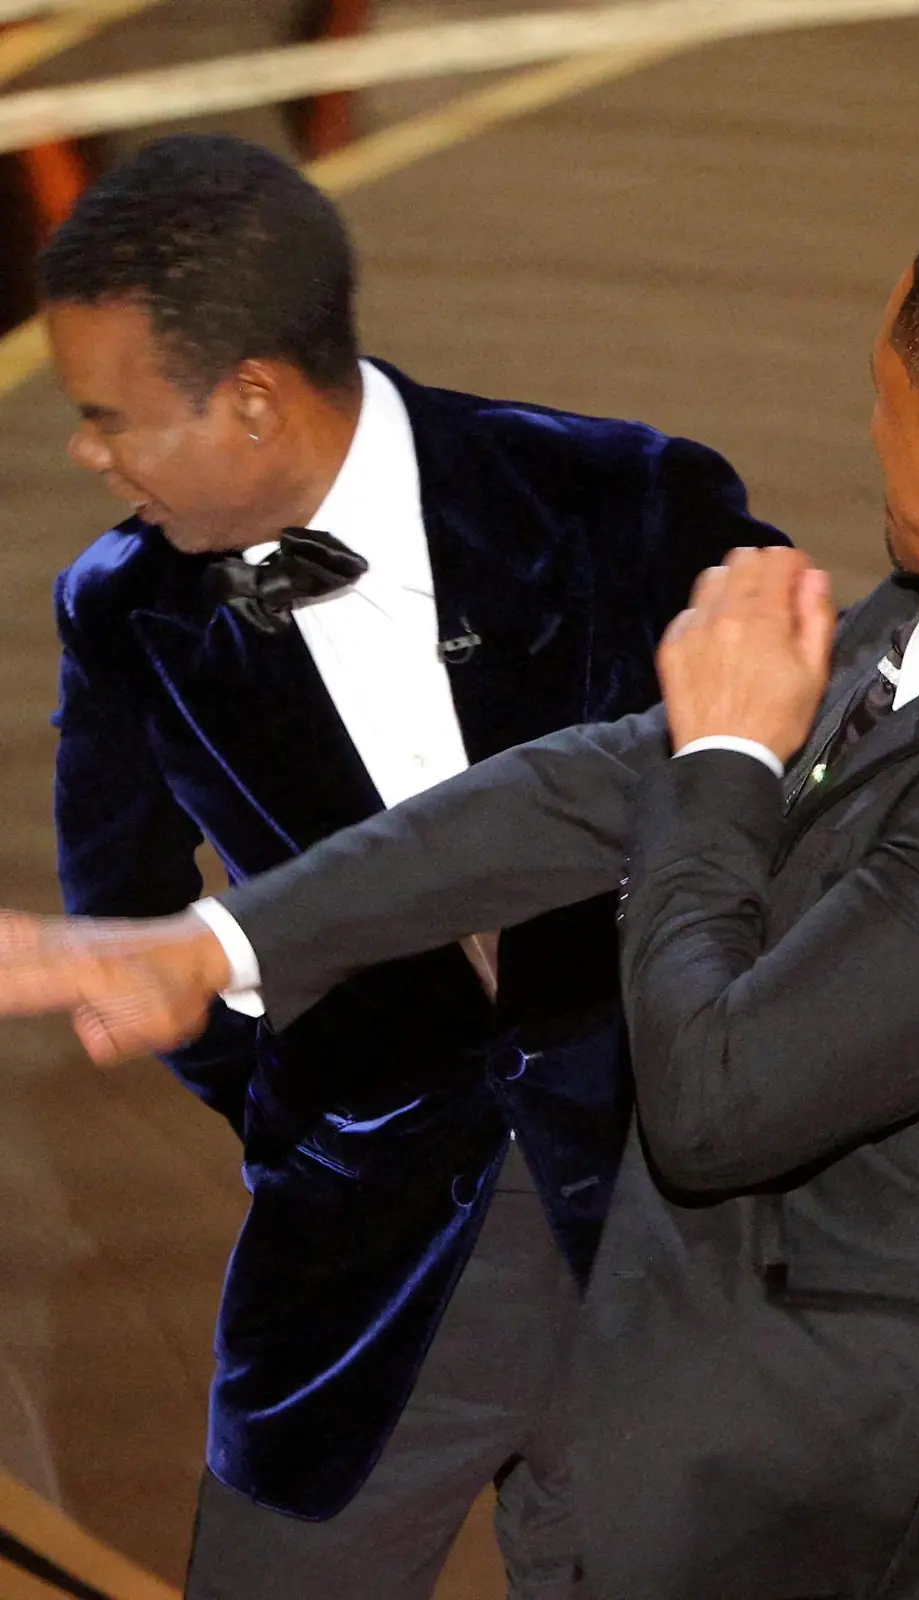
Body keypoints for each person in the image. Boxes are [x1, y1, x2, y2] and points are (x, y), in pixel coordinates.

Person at [5, 214, 919, 1597]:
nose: (871, 435)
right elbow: (594, 782)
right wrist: (215, 942)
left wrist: (723, 760)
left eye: (878, 399)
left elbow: (712, 1097)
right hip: (761, 1386)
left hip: (893, 1483)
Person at [31, 133, 787, 1600]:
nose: (88, 452)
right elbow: (122, 919)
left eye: (109, 415)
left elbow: (802, 807)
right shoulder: (119, 610)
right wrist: (311, 1109)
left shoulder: (624, 497)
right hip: (362, 1286)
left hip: (675, 1248)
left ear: (251, 396)